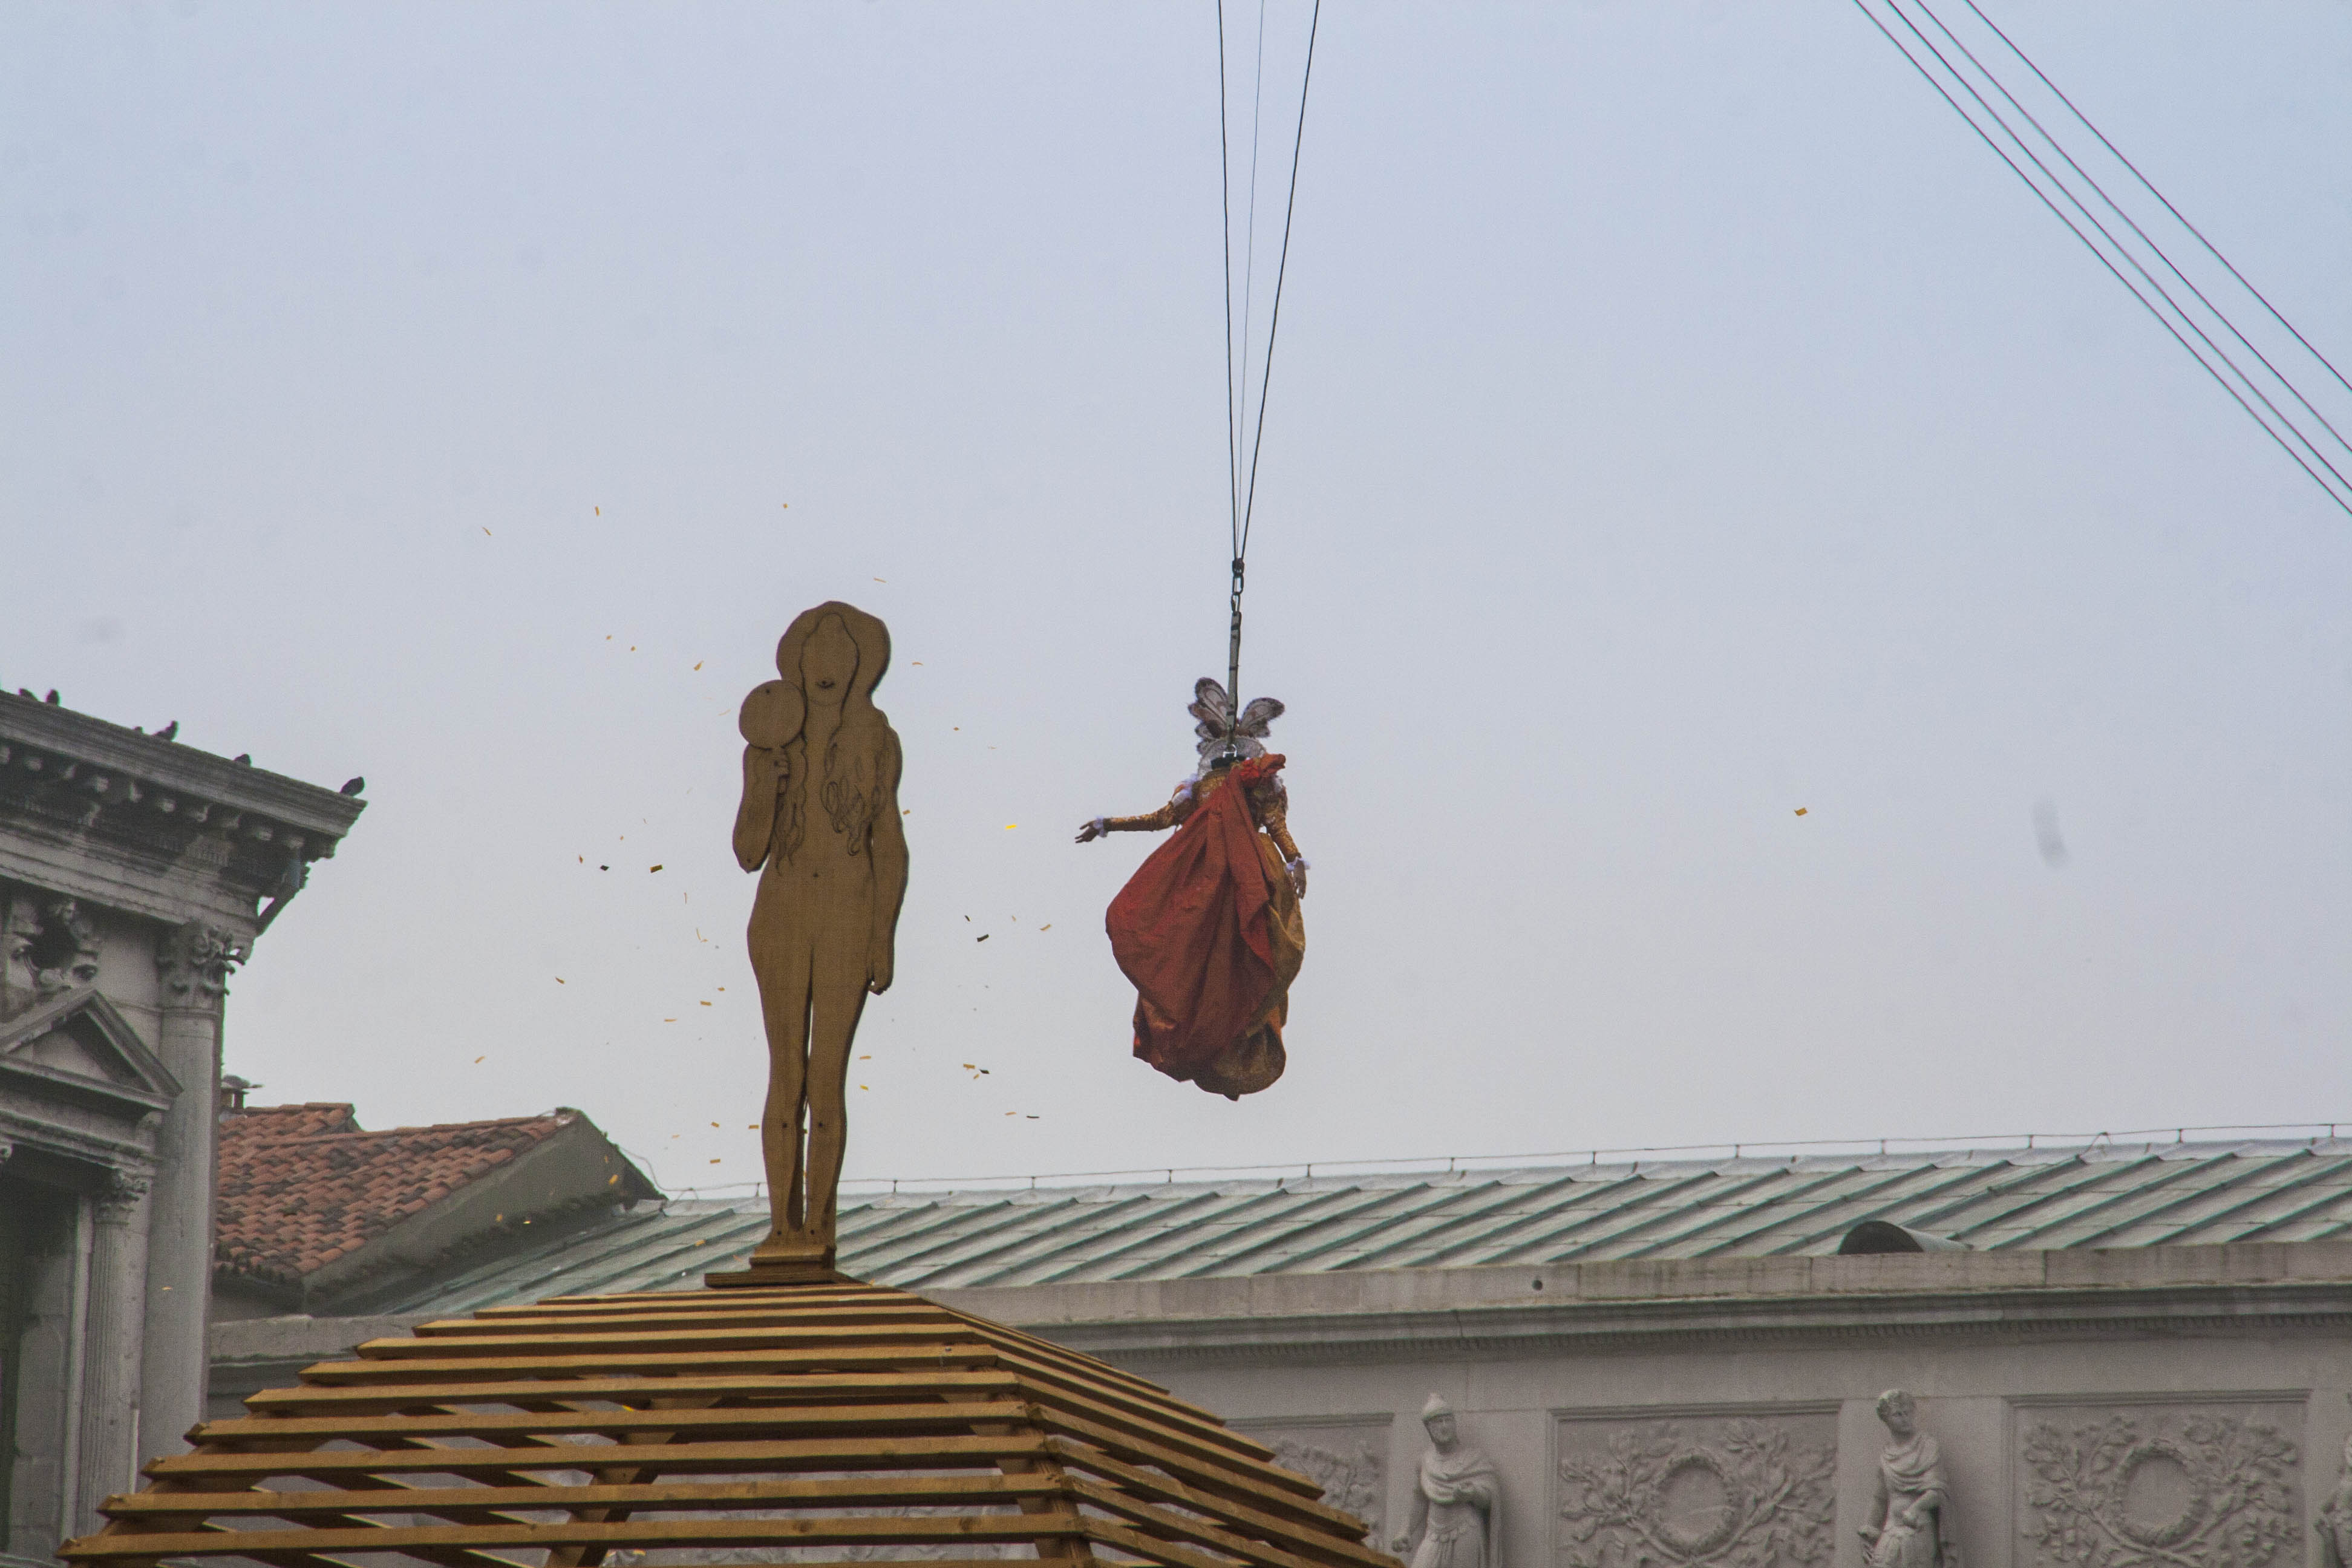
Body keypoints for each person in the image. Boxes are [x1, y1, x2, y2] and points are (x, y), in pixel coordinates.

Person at [733, 602, 907, 1267]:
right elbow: (748, 851)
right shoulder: (771, 743)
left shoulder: (876, 740)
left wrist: (882, 936)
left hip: (850, 908)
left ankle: (817, 1226)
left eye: (842, 656)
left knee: (826, 1075)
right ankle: (782, 1225)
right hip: (780, 912)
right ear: (798, 665)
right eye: (817, 656)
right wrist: (766, 791)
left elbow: (888, 844)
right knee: (787, 1073)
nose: (829, 668)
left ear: (859, 665)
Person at [1076, 678, 1306, 1099]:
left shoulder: (1260, 784)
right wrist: (1109, 824)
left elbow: (1276, 825)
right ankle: (1206, 1016)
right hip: (1208, 871)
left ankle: (1238, 1020)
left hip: (1251, 871)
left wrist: (1294, 860)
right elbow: (1162, 818)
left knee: (1249, 945)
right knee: (1196, 950)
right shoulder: (1198, 788)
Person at [1393, 1394, 1500, 1568]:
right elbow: (1420, 1500)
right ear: (1428, 1428)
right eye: (1437, 1422)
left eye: (1447, 1420)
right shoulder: (1425, 1461)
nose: (1444, 1427)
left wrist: (1473, 1493)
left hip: (1466, 1531)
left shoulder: (1473, 1458)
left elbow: (1490, 1497)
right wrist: (1405, 1530)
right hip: (1433, 1534)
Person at [1858, 1390, 1956, 1568]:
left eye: (1907, 1413)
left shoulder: (1927, 1447)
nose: (1905, 1418)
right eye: (1898, 1414)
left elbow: (1937, 1492)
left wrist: (1915, 1509)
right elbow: (1880, 1498)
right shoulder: (1886, 1454)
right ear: (1887, 1420)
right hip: (1890, 1531)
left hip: (1918, 1530)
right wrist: (1870, 1533)